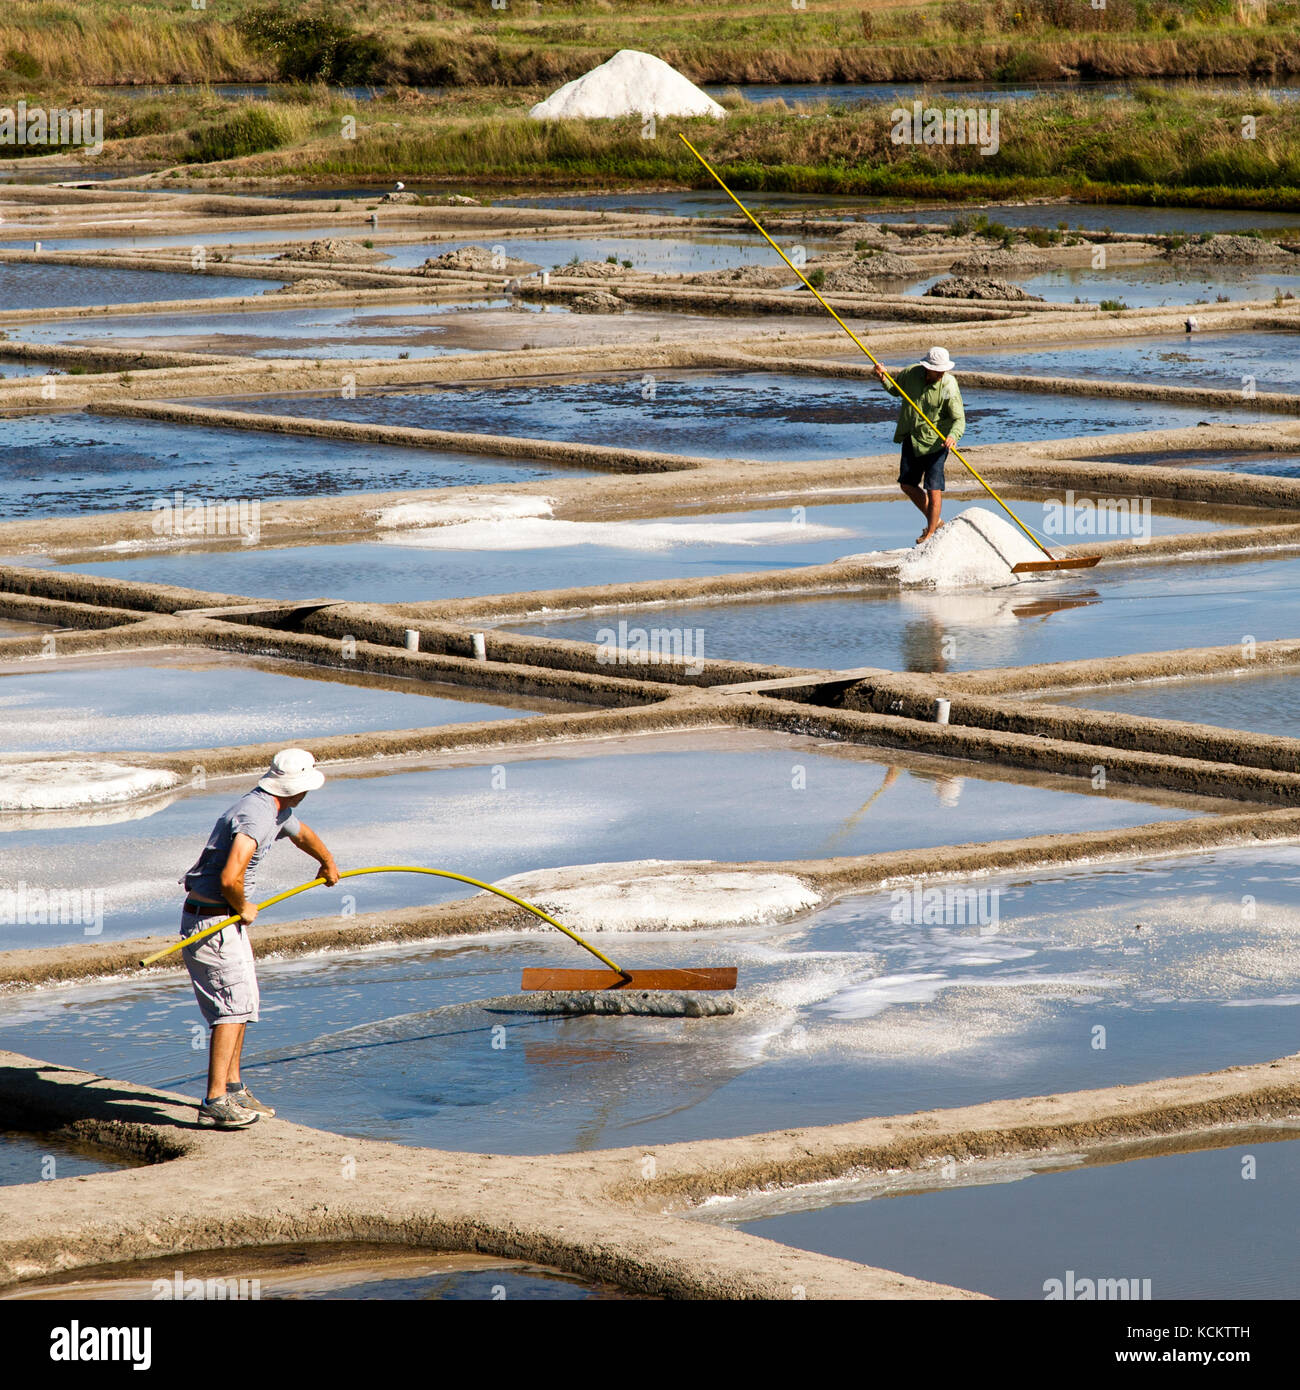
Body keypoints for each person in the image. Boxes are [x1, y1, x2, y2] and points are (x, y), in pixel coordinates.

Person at [178, 748, 340, 1129]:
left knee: (243, 1004)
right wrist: (244, 905)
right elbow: (229, 877)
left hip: (224, 920)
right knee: (230, 1009)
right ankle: (215, 1100)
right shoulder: (256, 815)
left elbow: (304, 835)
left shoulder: (275, 809)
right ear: (295, 787)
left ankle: (233, 1088)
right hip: (212, 923)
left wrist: (328, 862)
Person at [873, 346, 965, 545]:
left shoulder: (949, 385)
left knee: (934, 489)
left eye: (943, 370)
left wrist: (952, 436)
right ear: (927, 367)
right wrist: (883, 377)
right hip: (913, 437)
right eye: (937, 370)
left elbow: (959, 419)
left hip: (937, 443)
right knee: (907, 484)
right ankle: (937, 522)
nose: (941, 374)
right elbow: (896, 390)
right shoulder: (911, 374)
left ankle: (930, 533)